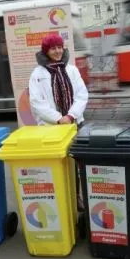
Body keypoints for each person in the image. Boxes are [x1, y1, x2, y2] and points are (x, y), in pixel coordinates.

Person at [28, 33, 89, 211]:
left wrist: (70, 116)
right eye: (53, 48)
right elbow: (36, 102)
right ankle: (59, 198)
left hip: (74, 123)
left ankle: (77, 196)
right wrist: (57, 118)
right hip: (51, 128)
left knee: (78, 164)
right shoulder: (37, 74)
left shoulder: (72, 70)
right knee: (56, 165)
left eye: (59, 47)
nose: (57, 51)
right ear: (46, 51)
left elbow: (82, 94)